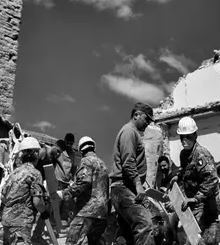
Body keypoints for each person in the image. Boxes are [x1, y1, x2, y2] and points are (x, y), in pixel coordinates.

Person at [110, 102, 155, 245]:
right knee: (145, 224)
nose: (148, 123)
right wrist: (138, 185)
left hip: (123, 188)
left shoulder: (132, 132)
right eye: (146, 118)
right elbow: (128, 162)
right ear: (136, 115)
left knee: (127, 233)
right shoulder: (129, 132)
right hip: (123, 188)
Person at [176, 117, 220, 245]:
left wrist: (196, 198)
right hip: (193, 207)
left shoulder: (201, 155)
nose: (184, 140)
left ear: (195, 135)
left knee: (206, 241)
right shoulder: (184, 155)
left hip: (206, 207)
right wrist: (177, 177)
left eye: (188, 136)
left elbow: (211, 180)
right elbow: (186, 173)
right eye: (181, 137)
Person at [0, 136, 50, 245]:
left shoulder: (14, 172)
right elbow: (37, 201)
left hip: (7, 222)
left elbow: (2, 196)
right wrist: (44, 211)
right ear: (36, 154)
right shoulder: (35, 173)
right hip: (21, 224)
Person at [60, 136, 109, 245]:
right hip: (102, 213)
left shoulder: (86, 161)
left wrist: (64, 193)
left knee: (72, 241)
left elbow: (84, 182)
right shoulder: (103, 164)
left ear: (81, 150)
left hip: (87, 210)